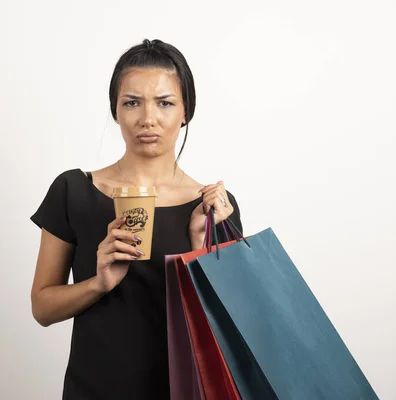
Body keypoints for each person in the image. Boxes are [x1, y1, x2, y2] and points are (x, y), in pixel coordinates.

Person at [30, 38, 243, 400]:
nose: (148, 119)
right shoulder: (74, 190)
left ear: (185, 111)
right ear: (115, 110)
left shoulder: (212, 208)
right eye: (132, 102)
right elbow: (42, 307)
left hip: (184, 390)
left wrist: (198, 246)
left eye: (165, 103)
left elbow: (230, 327)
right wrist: (97, 284)